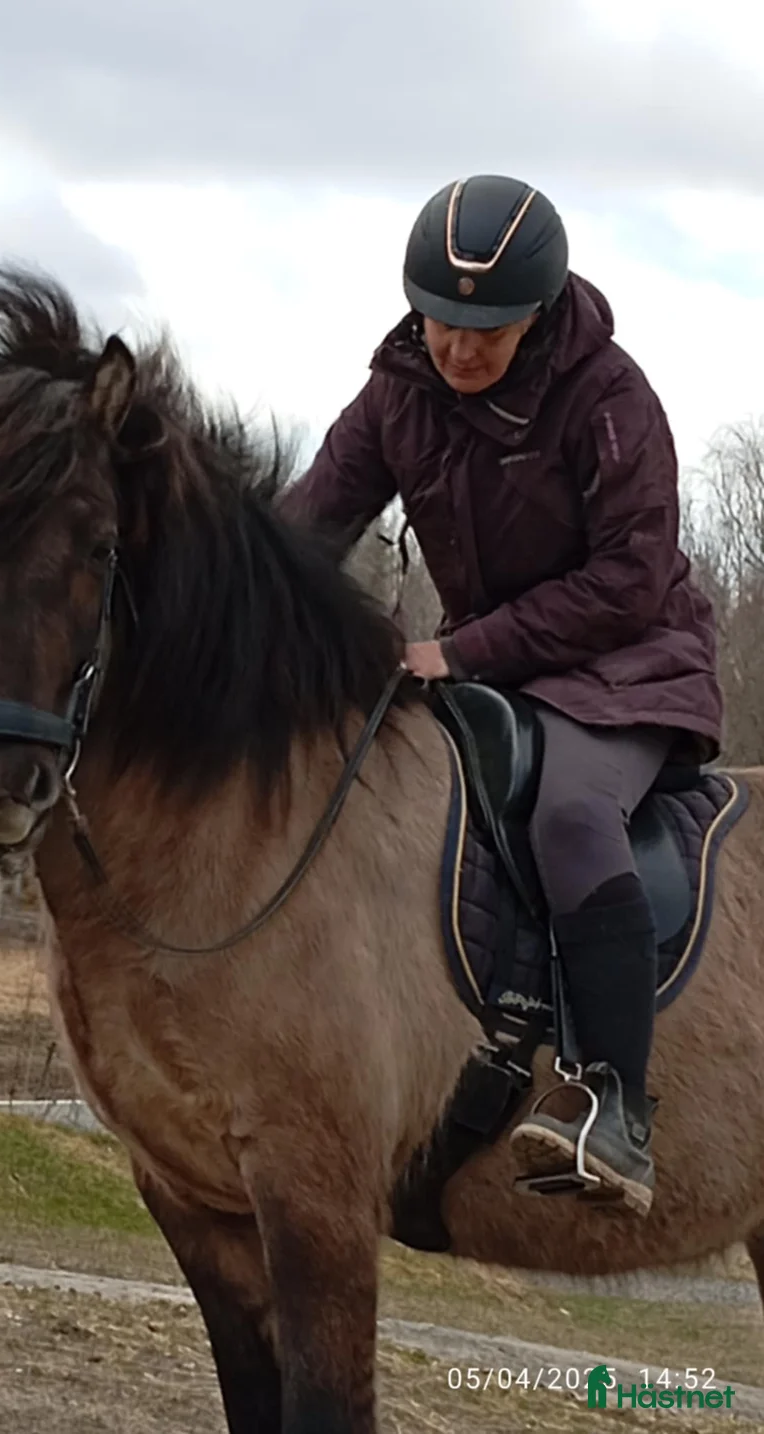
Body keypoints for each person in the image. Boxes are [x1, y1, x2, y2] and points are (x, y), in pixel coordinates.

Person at [276, 173, 723, 1216]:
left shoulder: (610, 396)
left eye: (490, 331)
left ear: (540, 315)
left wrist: (460, 650)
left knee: (571, 816)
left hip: (628, 666)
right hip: (497, 669)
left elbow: (628, 581)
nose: (461, 351)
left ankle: (616, 1108)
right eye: (443, 324)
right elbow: (309, 526)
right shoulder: (398, 392)